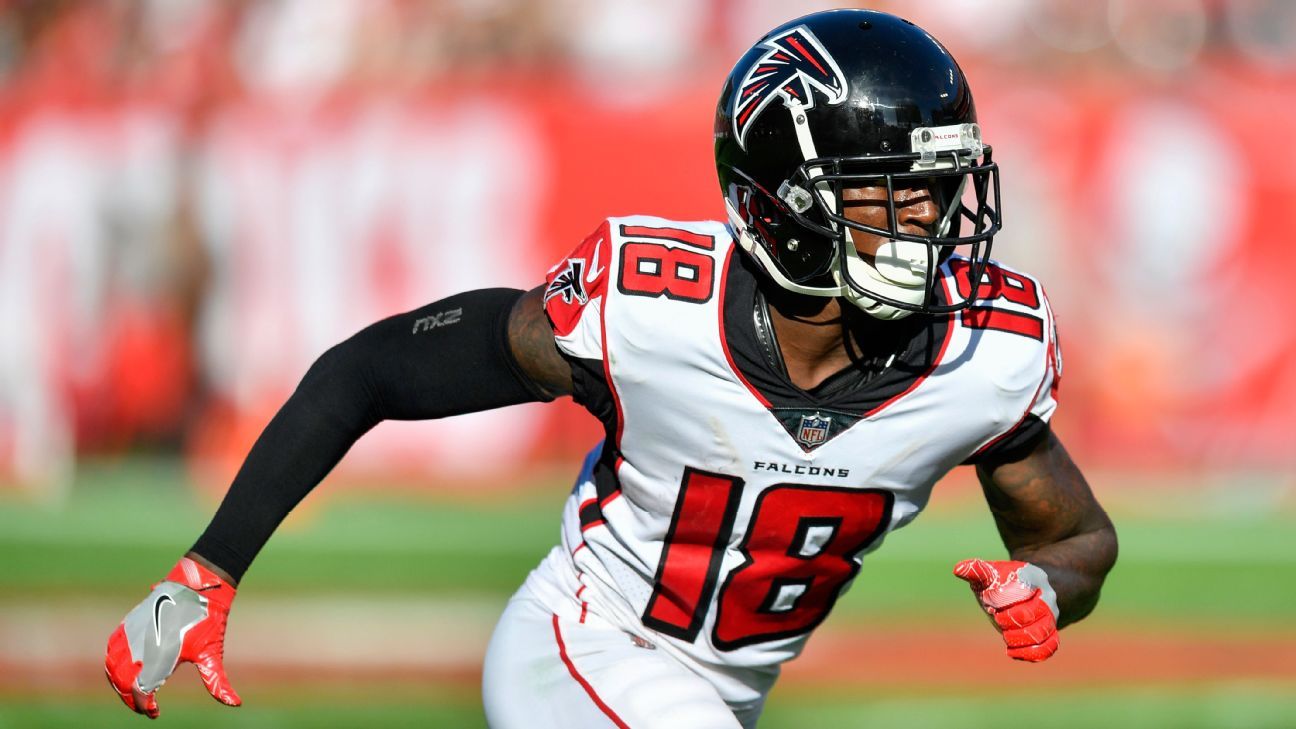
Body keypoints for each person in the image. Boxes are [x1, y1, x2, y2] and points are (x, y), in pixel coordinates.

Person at [105, 9, 1118, 728]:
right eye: (887, 194)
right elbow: (370, 371)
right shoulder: (648, 310)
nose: (928, 225)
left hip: (715, 701)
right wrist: (209, 569)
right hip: (583, 650)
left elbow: (1078, 536)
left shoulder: (983, 357)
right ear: (780, 203)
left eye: (937, 191)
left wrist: (1045, 582)